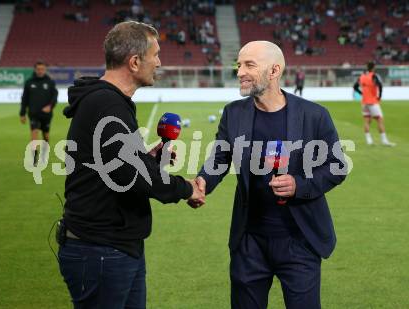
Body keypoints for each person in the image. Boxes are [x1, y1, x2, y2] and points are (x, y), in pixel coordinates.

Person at [188, 41, 347, 309]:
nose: (240, 72)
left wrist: (299, 184)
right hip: (249, 242)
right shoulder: (233, 113)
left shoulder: (314, 115)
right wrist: (203, 182)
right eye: (239, 65)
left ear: (274, 71)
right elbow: (220, 157)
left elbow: (336, 166)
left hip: (300, 240)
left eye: (249, 64)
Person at [58, 21, 204, 309]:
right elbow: (135, 176)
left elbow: (119, 169)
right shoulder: (107, 105)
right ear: (135, 61)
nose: (160, 62)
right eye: (156, 54)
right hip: (100, 249)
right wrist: (186, 189)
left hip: (115, 246)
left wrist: (146, 159)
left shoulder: (109, 102)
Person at [20, 61, 58, 165]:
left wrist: (50, 106)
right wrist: (22, 113)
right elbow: (24, 99)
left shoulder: (50, 82)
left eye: (42, 69)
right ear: (35, 69)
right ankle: (34, 157)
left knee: (46, 135)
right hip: (33, 114)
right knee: (34, 134)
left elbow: (54, 96)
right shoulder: (29, 82)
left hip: (46, 115)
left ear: (45, 70)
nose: (40, 71)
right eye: (38, 69)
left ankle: (44, 154)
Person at [353, 61, 395, 146]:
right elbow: (380, 85)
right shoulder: (373, 75)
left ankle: (369, 141)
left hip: (364, 102)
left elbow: (355, 86)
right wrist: (379, 96)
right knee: (380, 120)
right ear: (373, 67)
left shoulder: (362, 76)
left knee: (367, 121)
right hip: (372, 101)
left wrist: (361, 93)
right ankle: (384, 141)